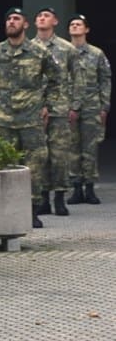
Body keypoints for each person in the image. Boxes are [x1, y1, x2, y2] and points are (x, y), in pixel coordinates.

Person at [0, 8, 58, 225]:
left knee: (34, 164)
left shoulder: (39, 52)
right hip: (5, 119)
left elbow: (56, 80)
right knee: (6, 164)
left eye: (16, 19)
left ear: (25, 25)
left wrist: (47, 105)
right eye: (8, 19)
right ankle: (9, 211)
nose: (11, 22)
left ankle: (32, 209)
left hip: (32, 117)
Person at [33, 7, 74, 215]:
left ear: (55, 21)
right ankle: (42, 198)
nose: (42, 18)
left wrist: (74, 106)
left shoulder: (66, 49)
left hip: (59, 109)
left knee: (59, 155)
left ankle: (59, 197)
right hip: (34, 110)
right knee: (40, 155)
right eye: (39, 16)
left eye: (46, 16)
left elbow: (76, 79)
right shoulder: (28, 47)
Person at [67, 14, 110, 204]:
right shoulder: (63, 51)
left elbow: (105, 80)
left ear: (86, 29)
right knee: (72, 147)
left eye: (79, 24)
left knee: (90, 147)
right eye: (72, 24)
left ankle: (90, 188)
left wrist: (104, 106)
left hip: (92, 105)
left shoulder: (96, 53)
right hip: (69, 106)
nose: (75, 26)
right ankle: (76, 188)